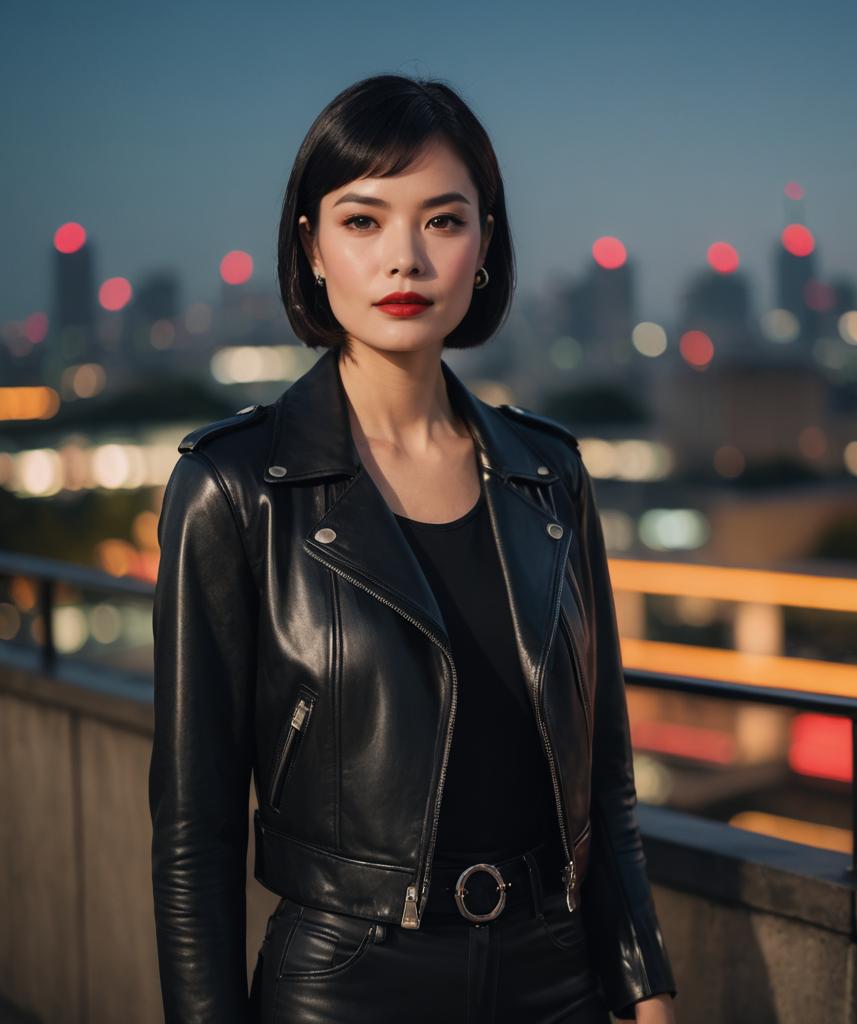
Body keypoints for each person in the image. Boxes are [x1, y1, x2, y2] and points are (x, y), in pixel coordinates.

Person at [149, 73, 677, 1023]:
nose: (405, 259)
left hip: (555, 978)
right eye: (363, 221)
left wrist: (643, 986)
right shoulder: (233, 488)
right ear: (311, 246)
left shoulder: (548, 477)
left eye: (442, 220)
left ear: (483, 248)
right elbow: (196, 832)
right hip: (349, 983)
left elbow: (605, 781)